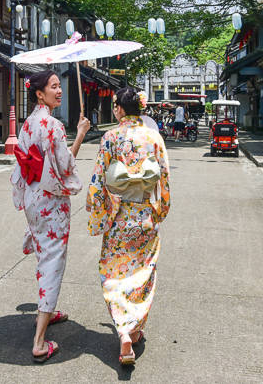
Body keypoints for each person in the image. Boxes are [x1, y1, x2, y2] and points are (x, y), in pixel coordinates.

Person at [87, 87, 171, 367]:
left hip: (119, 216)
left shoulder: (110, 137)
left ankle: (123, 329)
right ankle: (133, 326)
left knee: (113, 270)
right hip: (145, 214)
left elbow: (99, 178)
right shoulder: (154, 137)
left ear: (120, 110)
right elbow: (164, 178)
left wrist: (95, 205)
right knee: (143, 272)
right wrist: (161, 209)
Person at [12, 70, 91, 362]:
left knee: (45, 257)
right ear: (39, 93)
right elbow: (66, 165)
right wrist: (81, 134)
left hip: (34, 196)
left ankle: (47, 311)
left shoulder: (28, 124)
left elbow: (24, 163)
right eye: (54, 87)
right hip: (51, 202)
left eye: (60, 86)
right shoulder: (54, 125)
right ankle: (40, 341)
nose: (59, 91)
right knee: (53, 263)